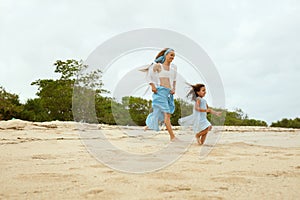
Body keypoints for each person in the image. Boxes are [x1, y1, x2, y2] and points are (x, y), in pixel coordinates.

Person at [141, 48, 177, 141]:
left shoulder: (173, 68)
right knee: (167, 114)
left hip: (168, 94)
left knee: (157, 113)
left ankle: (147, 127)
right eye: (171, 55)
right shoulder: (158, 66)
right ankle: (172, 137)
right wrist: (152, 86)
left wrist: (173, 89)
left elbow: (174, 80)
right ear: (166, 55)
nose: (173, 57)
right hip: (160, 92)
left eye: (174, 56)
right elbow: (149, 75)